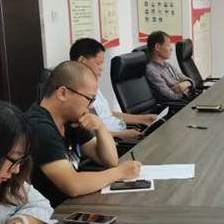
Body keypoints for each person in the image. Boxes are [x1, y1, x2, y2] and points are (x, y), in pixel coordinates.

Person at [26, 61, 141, 207]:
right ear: (63, 93)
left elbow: (110, 160)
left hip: (74, 204)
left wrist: (100, 127)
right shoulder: (39, 127)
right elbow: (72, 185)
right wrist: (119, 173)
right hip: (52, 212)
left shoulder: (70, 119)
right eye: (89, 99)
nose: (91, 106)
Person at [70, 38, 157, 141]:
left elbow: (107, 114)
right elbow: (89, 133)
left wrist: (144, 119)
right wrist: (124, 134)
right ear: (82, 60)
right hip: (113, 140)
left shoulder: (92, 84)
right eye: (98, 63)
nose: (101, 68)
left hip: (122, 130)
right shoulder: (76, 93)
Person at [145, 31, 196, 103]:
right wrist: (187, 89)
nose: (171, 49)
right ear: (157, 47)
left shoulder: (167, 65)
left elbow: (190, 81)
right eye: (168, 45)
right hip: (181, 105)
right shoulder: (151, 70)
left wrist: (186, 84)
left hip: (188, 100)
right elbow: (170, 96)